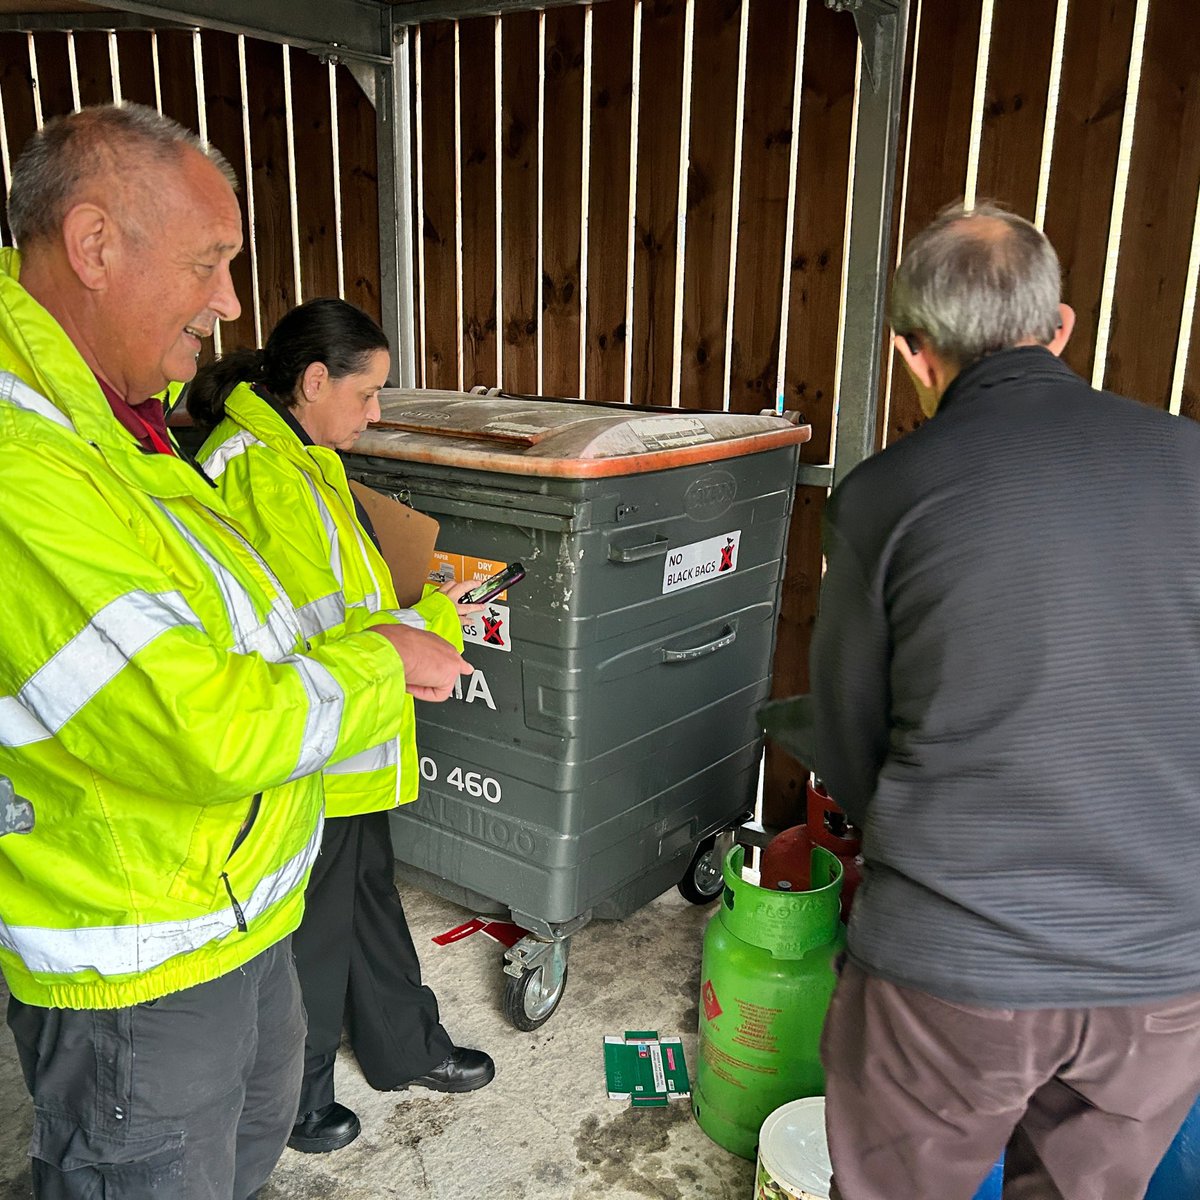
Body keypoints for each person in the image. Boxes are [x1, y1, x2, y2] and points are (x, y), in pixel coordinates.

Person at [0, 103, 472, 1199]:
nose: (228, 302)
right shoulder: (31, 461)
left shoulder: (133, 425)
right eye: (209, 263)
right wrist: (383, 664)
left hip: (238, 905)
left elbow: (235, 637)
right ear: (94, 247)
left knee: (246, 1150)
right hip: (140, 960)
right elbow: (197, 720)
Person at [809, 203, 1200, 1200]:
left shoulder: (886, 494)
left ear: (911, 353)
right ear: (1060, 326)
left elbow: (847, 737)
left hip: (949, 963)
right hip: (1162, 972)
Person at [186, 298, 496, 1156]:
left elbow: (351, 599)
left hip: (354, 732)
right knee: (310, 934)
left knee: (365, 904)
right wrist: (432, 626)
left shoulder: (303, 454)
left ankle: (405, 1047)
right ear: (314, 380)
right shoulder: (257, 472)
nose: (377, 414)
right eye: (367, 394)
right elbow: (303, 636)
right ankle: (295, 1095)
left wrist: (432, 612)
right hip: (313, 745)